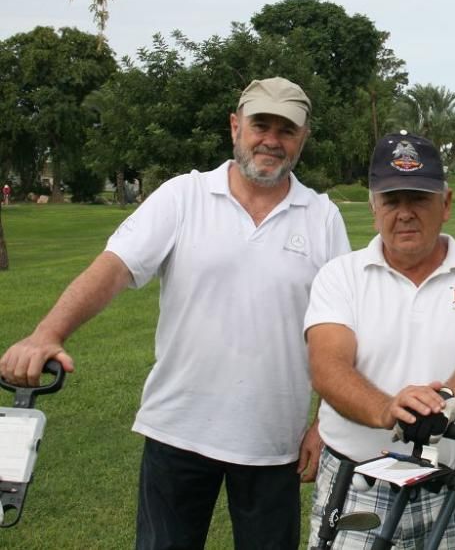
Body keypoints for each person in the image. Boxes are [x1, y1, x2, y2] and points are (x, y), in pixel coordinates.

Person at [0, 77, 350, 549]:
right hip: (178, 431)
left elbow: (339, 329)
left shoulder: (322, 216)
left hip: (274, 442)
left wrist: (324, 421)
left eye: (286, 130)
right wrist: (47, 333)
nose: (271, 140)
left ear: (302, 138)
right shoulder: (183, 196)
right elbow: (114, 268)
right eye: (260, 124)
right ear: (235, 126)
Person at [304, 131, 455, 549]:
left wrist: (445, 403)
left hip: (446, 488)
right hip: (356, 483)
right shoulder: (339, 276)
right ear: (373, 206)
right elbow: (328, 366)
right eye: (392, 200)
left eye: (418, 198)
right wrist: (388, 409)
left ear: (446, 204)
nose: (405, 213)